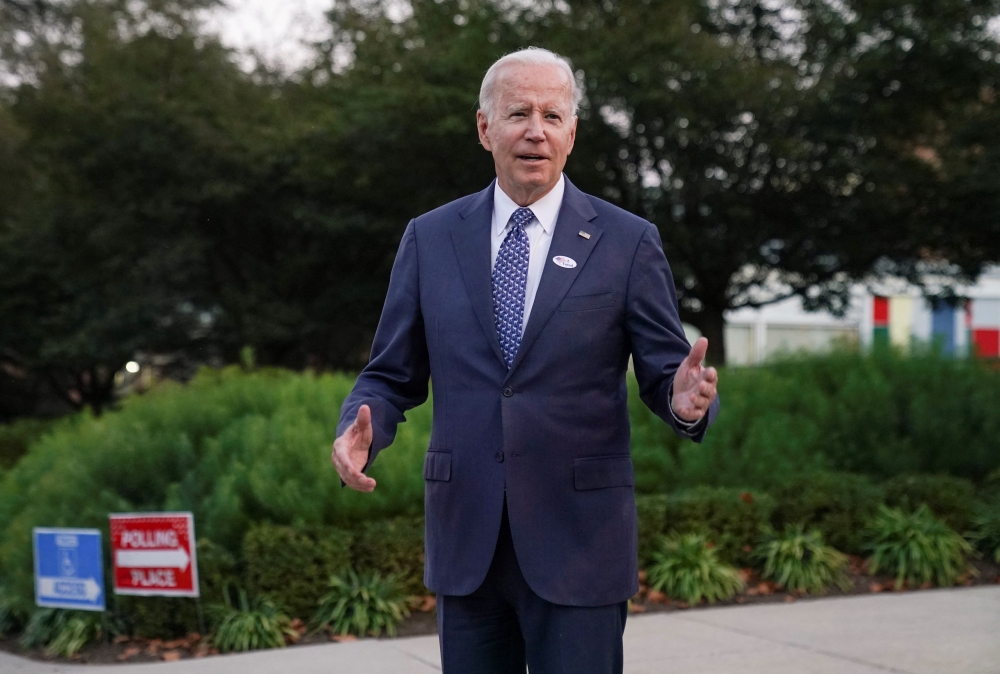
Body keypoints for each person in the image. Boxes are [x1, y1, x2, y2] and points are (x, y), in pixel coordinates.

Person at [331, 47, 720, 674]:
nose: (535, 130)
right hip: (468, 543)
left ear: (572, 132)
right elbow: (391, 373)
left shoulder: (627, 242)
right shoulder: (430, 239)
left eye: (551, 114)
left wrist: (683, 402)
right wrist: (359, 432)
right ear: (485, 129)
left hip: (580, 540)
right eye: (517, 113)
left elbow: (667, 371)